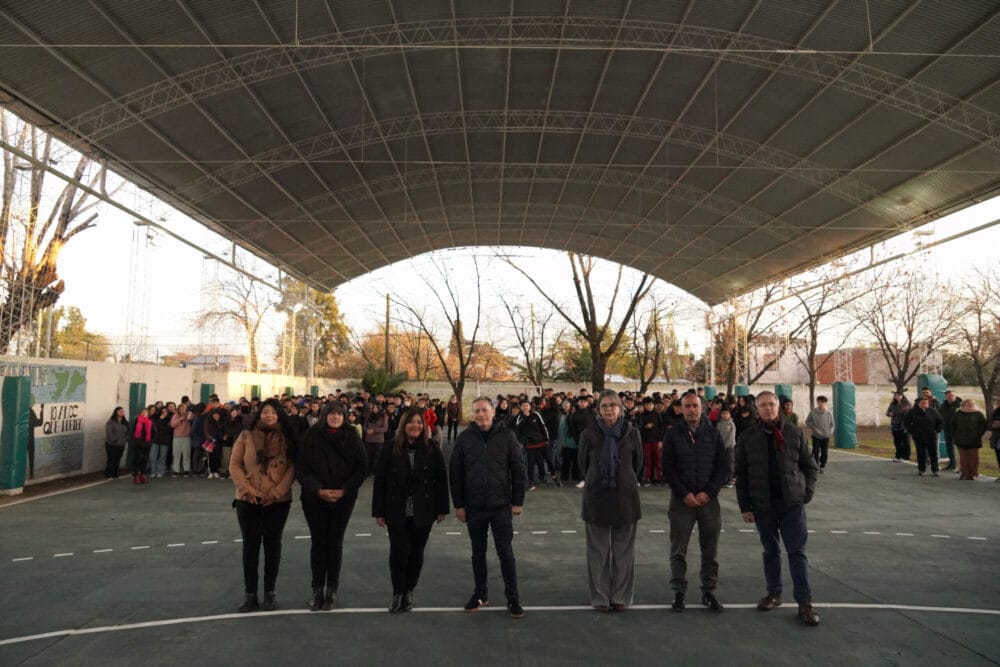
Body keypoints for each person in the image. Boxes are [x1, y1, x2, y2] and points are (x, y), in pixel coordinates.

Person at [735, 391, 820, 627]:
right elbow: (741, 475)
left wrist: (806, 493)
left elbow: (810, 467)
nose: (768, 409)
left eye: (772, 404)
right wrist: (745, 506)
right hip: (763, 505)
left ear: (779, 406)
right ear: (757, 409)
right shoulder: (747, 437)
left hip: (792, 504)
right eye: (763, 405)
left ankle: (805, 602)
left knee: (797, 552)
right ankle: (774, 593)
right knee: (770, 551)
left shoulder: (795, 433)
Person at [449, 396, 527, 619]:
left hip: (501, 506)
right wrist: (459, 505)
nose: (480, 415)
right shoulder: (465, 439)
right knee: (478, 553)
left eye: (484, 410)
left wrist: (517, 501)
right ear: (472, 414)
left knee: (505, 553)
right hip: (474, 508)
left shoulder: (507, 436)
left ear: (493, 412)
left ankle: (513, 597)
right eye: (476, 411)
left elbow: (518, 470)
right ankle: (480, 593)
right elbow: (455, 474)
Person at [372, 408, 450, 613]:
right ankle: (398, 592)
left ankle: (409, 592)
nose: (415, 425)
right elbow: (380, 480)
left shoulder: (432, 447)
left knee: (416, 553)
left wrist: (442, 508)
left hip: (424, 510)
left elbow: (441, 480)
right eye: (411, 422)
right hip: (396, 509)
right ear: (403, 424)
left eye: (419, 422)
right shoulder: (390, 447)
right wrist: (378, 511)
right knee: (398, 552)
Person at [296, 401, 369, 611]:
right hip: (314, 499)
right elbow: (302, 469)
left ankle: (332, 590)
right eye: (332, 414)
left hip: (343, 500)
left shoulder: (352, 437)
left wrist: (344, 490)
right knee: (318, 542)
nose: (336, 417)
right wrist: (319, 490)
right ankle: (317, 588)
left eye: (340, 414)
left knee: (335, 543)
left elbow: (362, 467)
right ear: (325, 415)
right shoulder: (311, 436)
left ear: (345, 416)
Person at [662, 392, 729, 613]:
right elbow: (668, 469)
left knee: (710, 549)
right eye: (687, 406)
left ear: (703, 408)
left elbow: (723, 467)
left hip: (708, 501)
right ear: (681, 409)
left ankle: (709, 591)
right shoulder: (673, 435)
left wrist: (709, 493)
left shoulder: (713, 433)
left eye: (695, 406)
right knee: (678, 549)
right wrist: (684, 494)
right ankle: (678, 592)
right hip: (682, 501)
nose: (692, 410)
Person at [577, 390, 643, 612]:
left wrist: (623, 478)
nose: (609, 409)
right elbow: (583, 465)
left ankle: (621, 596)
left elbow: (638, 464)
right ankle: (600, 597)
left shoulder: (632, 432)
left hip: (626, 497)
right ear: (598, 409)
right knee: (598, 552)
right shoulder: (589, 433)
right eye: (604, 405)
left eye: (613, 405)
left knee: (624, 552)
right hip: (597, 498)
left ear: (621, 408)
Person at [229, 399, 296, 613]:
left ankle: (269, 592)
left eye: (273, 412)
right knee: (250, 545)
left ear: (279, 415)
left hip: (277, 501)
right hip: (247, 499)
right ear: (258, 415)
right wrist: (246, 489)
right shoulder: (246, 435)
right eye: (265, 412)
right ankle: (250, 594)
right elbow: (234, 464)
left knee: (272, 545)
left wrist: (277, 493)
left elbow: (293, 468)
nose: (268, 415)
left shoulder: (287, 437)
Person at [514, 400, 555, 490]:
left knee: (548, 459)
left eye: (527, 405)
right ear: (521, 407)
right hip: (529, 445)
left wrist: (547, 439)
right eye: (523, 406)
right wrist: (525, 417)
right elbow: (518, 429)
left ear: (530, 406)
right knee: (530, 464)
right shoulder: (520, 417)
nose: (525, 407)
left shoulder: (536, 414)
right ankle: (531, 483)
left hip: (541, 442)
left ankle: (553, 475)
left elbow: (543, 426)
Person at [904, 397, 943, 476]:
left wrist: (937, 430)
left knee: (933, 453)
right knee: (921, 453)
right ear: (919, 404)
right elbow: (907, 422)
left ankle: (935, 470)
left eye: (926, 403)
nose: (925, 405)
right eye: (923, 403)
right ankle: (921, 469)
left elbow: (940, 421)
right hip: (919, 435)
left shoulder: (933, 411)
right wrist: (912, 431)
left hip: (931, 435)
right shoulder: (913, 411)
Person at [953, 399, 987, 480]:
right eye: (966, 404)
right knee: (963, 458)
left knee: (974, 458)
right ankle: (964, 474)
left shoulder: (978, 413)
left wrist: (978, 434)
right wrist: (956, 434)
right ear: (963, 404)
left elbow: (983, 425)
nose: (968, 405)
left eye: (970, 404)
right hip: (961, 439)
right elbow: (952, 425)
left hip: (974, 439)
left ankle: (973, 474)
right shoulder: (958, 413)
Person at [635, 397, 663, 487]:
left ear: (653, 405)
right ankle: (647, 478)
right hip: (646, 441)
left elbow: (661, 428)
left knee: (658, 459)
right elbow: (638, 428)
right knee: (647, 460)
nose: (649, 406)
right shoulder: (641, 416)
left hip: (656, 440)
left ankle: (659, 478)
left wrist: (660, 440)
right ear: (644, 405)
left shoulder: (657, 415)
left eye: (650, 404)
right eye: (647, 405)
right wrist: (645, 427)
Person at [805, 396, 834, 473]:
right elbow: (807, 421)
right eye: (819, 402)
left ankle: (822, 466)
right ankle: (815, 466)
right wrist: (814, 428)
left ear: (825, 403)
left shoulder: (829, 413)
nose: (820, 404)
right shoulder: (813, 412)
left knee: (825, 452)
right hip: (816, 436)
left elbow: (832, 424)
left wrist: (830, 432)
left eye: (822, 402)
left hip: (826, 436)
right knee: (815, 451)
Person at [939, 390, 962, 471]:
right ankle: (952, 464)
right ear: (945, 397)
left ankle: (962, 467)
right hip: (947, 430)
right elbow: (940, 416)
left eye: (952, 395)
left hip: (957, 431)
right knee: (949, 448)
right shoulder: (943, 405)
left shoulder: (960, 405)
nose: (950, 397)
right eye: (948, 396)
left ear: (955, 396)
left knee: (960, 449)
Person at [104, 407, 129, 479]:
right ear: (116, 412)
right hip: (111, 444)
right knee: (111, 459)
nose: (121, 412)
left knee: (118, 459)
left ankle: (115, 473)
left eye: (122, 411)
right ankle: (108, 474)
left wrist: (126, 439)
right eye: (120, 411)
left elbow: (127, 432)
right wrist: (114, 440)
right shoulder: (111, 421)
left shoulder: (125, 422)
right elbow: (109, 432)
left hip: (121, 444)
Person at [886, 392, 911, 462]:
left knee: (906, 442)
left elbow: (910, 412)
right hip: (895, 425)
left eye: (898, 395)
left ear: (902, 396)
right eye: (895, 396)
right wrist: (890, 414)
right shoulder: (892, 404)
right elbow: (887, 412)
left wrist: (906, 411)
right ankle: (898, 456)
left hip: (904, 426)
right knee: (897, 442)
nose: (896, 397)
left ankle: (906, 457)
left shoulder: (907, 403)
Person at [363, 404, 389, 470]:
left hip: (378, 440)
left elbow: (385, 428)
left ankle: (375, 471)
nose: (375, 409)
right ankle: (367, 470)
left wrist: (374, 430)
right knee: (368, 456)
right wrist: (366, 430)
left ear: (379, 408)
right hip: (368, 439)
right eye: (373, 407)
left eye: (376, 407)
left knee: (377, 457)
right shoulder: (368, 415)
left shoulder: (384, 416)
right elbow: (365, 426)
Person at [132, 406, 153, 485]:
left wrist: (149, 442)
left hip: (147, 444)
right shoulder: (137, 421)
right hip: (138, 444)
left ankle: (143, 475)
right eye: (143, 412)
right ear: (140, 413)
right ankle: (136, 475)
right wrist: (141, 443)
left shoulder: (150, 422)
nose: (144, 413)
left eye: (146, 412)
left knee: (145, 460)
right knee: (137, 460)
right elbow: (134, 434)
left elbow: (153, 434)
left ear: (148, 414)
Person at [169, 402, 192, 476]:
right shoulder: (175, 415)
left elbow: (190, 419)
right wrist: (181, 418)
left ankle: (186, 470)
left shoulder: (189, 414)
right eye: (180, 408)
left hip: (187, 437)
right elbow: (172, 424)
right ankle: (176, 470)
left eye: (184, 408)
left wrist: (186, 415)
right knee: (176, 454)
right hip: (177, 437)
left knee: (186, 454)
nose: (182, 410)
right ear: (178, 409)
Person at [716, 407, 737, 487]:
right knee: (722, 464)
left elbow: (731, 437)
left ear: (730, 415)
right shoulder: (719, 424)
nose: (724, 415)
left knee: (729, 463)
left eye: (726, 413)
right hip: (721, 447)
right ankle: (724, 479)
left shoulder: (731, 424)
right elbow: (718, 435)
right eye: (723, 413)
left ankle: (730, 480)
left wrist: (725, 446)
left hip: (729, 447)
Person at [989, 398, 1000, 480]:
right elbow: (988, 423)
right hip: (996, 437)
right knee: (998, 456)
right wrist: (992, 425)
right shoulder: (994, 412)